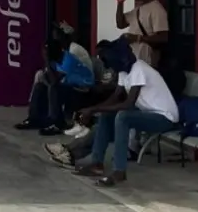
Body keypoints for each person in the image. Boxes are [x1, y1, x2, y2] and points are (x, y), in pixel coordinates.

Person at [72, 38, 179, 187]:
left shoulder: (139, 69)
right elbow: (115, 98)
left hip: (164, 118)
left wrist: (93, 109)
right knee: (107, 115)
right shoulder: (124, 72)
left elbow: (128, 103)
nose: (104, 63)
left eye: (105, 59)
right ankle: (97, 163)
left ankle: (119, 170)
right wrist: (94, 109)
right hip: (148, 112)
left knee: (123, 117)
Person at [114, 0, 169, 66]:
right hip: (133, 58)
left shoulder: (157, 9)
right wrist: (120, 2)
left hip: (145, 60)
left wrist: (137, 38)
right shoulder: (139, 8)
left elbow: (163, 37)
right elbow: (120, 24)